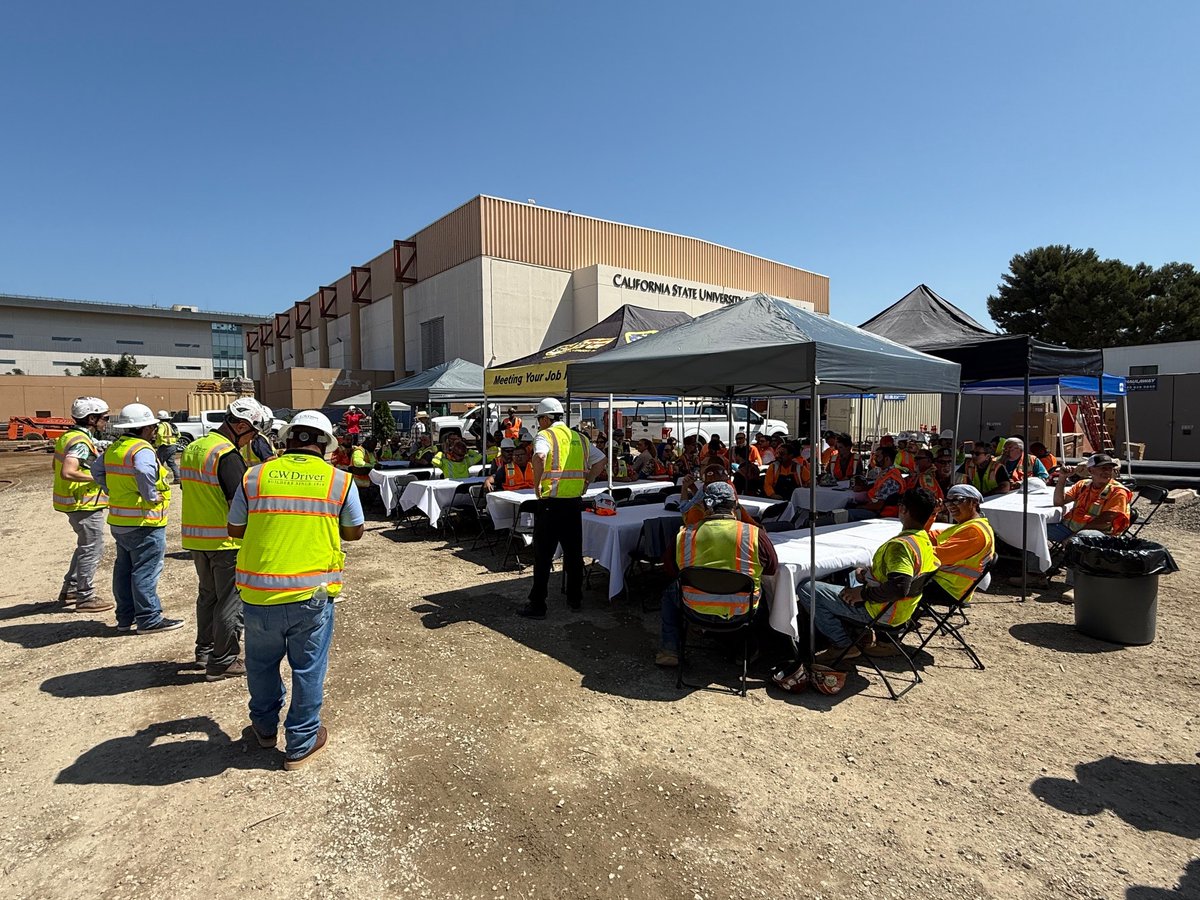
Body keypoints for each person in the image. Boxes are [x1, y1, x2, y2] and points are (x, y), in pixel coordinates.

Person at [228, 410, 364, 770]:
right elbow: (354, 532)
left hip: (258, 591)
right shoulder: (339, 480)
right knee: (308, 668)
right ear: (325, 445)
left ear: (286, 440)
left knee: (260, 664)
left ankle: (263, 728)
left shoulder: (253, 476)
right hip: (312, 593)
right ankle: (301, 743)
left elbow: (235, 529)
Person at [180, 398, 270, 680]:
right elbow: (238, 505)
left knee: (207, 597)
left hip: (197, 539)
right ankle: (224, 660)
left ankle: (204, 651)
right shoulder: (227, 455)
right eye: (253, 432)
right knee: (230, 602)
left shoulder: (195, 448)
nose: (252, 439)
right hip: (225, 542)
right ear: (241, 425)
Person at [800, 488, 939, 661]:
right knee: (849, 572)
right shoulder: (924, 540)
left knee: (807, 588)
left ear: (903, 509)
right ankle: (859, 633)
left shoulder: (900, 546)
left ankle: (842, 644)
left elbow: (899, 587)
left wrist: (862, 594)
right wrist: (866, 575)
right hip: (901, 609)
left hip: (880, 610)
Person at [656, 481, 778, 667]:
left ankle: (669, 650)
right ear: (735, 505)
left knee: (669, 594)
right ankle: (749, 648)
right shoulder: (754, 534)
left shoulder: (685, 534)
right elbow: (771, 568)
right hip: (741, 610)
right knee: (765, 593)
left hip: (695, 608)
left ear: (705, 506)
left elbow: (671, 570)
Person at [91, 403, 183, 634]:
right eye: (151, 427)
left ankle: (125, 618)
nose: (153, 431)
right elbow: (143, 472)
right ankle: (149, 618)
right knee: (145, 570)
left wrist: (112, 490)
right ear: (144, 428)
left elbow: (96, 470)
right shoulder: (141, 450)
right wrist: (150, 495)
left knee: (124, 569)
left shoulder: (115, 448)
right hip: (144, 521)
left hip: (120, 520)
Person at [518, 398, 606, 619]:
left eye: (539, 420)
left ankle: (538, 604)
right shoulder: (580, 438)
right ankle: (574, 599)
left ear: (546, 418)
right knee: (573, 554)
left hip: (550, 504)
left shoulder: (545, 436)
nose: (539, 424)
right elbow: (601, 460)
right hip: (573, 504)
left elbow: (539, 456)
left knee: (543, 556)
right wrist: (588, 480)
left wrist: (537, 483)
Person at [1013, 453, 1132, 588]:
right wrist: (1062, 478)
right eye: (1102, 468)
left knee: (1079, 539)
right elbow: (1059, 502)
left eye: (1109, 468)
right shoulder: (1083, 485)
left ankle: (1074, 586)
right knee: (1033, 528)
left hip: (1101, 534)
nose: (1107, 472)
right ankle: (1035, 575)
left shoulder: (1117, 491)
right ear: (1090, 470)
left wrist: (1074, 536)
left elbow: (1106, 520)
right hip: (1070, 528)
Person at [51, 396, 115, 614]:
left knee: (85, 546)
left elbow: (55, 464)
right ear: (92, 418)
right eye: (104, 417)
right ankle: (85, 596)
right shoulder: (79, 441)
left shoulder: (69, 437)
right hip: (84, 504)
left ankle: (71, 588)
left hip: (74, 502)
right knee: (92, 548)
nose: (106, 421)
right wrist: (98, 477)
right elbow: (67, 470)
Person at [924, 484, 996, 607]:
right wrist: (931, 515)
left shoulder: (974, 531)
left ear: (974, 502)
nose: (951, 505)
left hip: (948, 588)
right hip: (946, 583)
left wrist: (912, 549)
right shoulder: (966, 526)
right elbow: (926, 536)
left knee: (896, 582)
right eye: (948, 501)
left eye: (957, 500)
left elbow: (936, 557)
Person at [680, 462, 757, 527]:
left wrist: (685, 488)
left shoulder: (697, 511)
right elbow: (757, 528)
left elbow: (684, 511)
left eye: (703, 465)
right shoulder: (737, 509)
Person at [845, 445, 907, 520]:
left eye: (878, 456)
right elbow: (877, 487)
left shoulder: (891, 479)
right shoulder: (886, 472)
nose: (875, 458)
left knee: (845, 514)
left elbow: (879, 505)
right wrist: (863, 488)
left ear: (887, 459)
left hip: (881, 513)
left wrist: (860, 506)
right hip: (875, 507)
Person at [154, 410, 181, 484]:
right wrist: (173, 441)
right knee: (171, 463)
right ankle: (178, 478)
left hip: (164, 446)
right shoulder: (172, 425)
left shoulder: (161, 425)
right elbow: (179, 435)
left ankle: (160, 479)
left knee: (159, 462)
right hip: (173, 446)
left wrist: (158, 442)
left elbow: (159, 433)